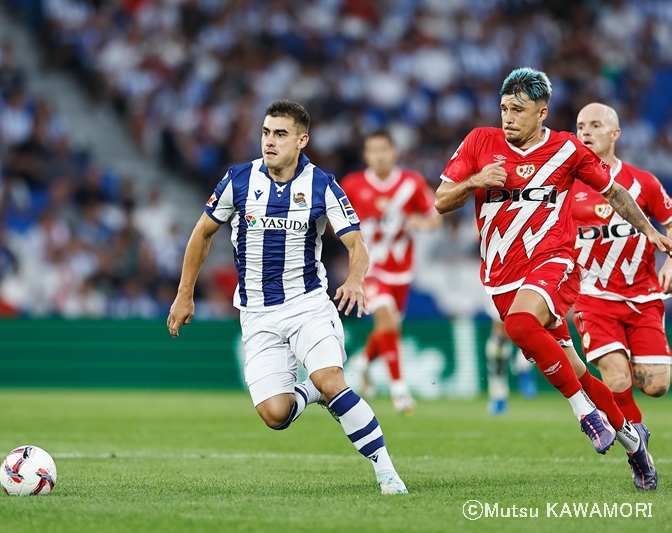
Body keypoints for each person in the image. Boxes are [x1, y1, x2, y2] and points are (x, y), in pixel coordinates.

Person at [434, 68, 664, 490]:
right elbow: (441, 200)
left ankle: (584, 413)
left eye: (518, 110)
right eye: (504, 108)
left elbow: (614, 192)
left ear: (542, 113)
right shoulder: (479, 142)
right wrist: (475, 181)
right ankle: (635, 444)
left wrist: (649, 230)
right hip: (500, 276)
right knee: (574, 368)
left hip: (553, 262)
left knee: (519, 325)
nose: (508, 117)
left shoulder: (567, 150)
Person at [167, 100, 407, 495]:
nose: (270, 141)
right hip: (257, 312)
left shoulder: (322, 185)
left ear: (301, 140)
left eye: (280, 134)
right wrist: (184, 294)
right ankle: (313, 390)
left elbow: (356, 243)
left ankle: (386, 471)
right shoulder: (238, 180)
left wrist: (355, 280)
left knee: (332, 380)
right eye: (265, 132)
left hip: (307, 305)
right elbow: (201, 233)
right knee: (275, 415)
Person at [571, 103, 672, 442]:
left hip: (643, 296)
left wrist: (670, 261)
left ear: (615, 134)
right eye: (581, 126)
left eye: (595, 125)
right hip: (594, 298)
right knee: (617, 378)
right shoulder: (564, 187)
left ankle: (615, 408)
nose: (585, 132)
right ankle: (637, 446)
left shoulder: (644, 183)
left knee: (657, 386)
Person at [341, 130, 440, 414]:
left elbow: (434, 218)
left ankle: (362, 361)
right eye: (373, 150)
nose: (379, 155)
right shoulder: (352, 184)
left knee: (389, 326)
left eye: (384, 149)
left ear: (395, 152)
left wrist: (422, 224)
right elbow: (337, 224)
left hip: (402, 272)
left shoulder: (411, 182)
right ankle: (400, 393)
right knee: (386, 319)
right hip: (369, 269)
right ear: (366, 155)